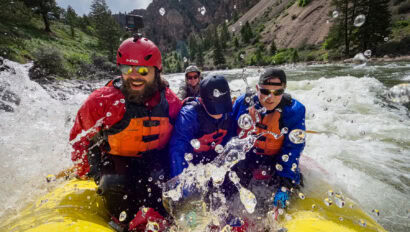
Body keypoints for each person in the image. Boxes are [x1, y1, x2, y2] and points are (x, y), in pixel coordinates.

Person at [69, 35, 182, 231]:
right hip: (115, 161)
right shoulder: (102, 101)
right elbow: (79, 140)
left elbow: (181, 141)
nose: (135, 77)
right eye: (127, 69)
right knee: (115, 185)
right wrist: (86, 173)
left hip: (152, 162)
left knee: (159, 188)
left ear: (157, 71)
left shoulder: (171, 103)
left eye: (143, 71)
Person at [230, 68, 306, 213]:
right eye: (265, 92)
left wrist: (285, 182)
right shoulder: (243, 103)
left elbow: (293, 149)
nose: (270, 97)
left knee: (292, 190)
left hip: (275, 160)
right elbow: (231, 135)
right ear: (257, 88)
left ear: (284, 90)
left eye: (277, 92)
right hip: (248, 157)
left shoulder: (294, 110)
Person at [169, 75, 233, 177]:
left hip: (215, 155)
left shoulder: (229, 110)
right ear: (202, 101)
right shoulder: (189, 115)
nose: (219, 113)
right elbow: (178, 150)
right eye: (215, 108)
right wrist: (182, 185)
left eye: (223, 106)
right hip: (194, 159)